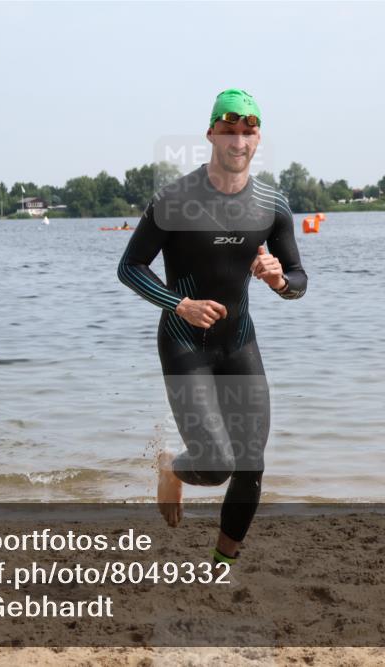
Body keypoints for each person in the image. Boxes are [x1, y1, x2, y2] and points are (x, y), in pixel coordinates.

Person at [117, 89, 307, 566]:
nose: (238, 140)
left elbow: (300, 282)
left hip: (239, 341)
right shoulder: (175, 198)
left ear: (258, 138)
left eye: (248, 131)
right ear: (211, 135)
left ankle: (222, 563)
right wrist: (178, 304)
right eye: (229, 131)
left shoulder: (273, 206)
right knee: (216, 464)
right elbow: (131, 267)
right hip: (186, 345)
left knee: (251, 463)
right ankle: (172, 468)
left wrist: (278, 279)